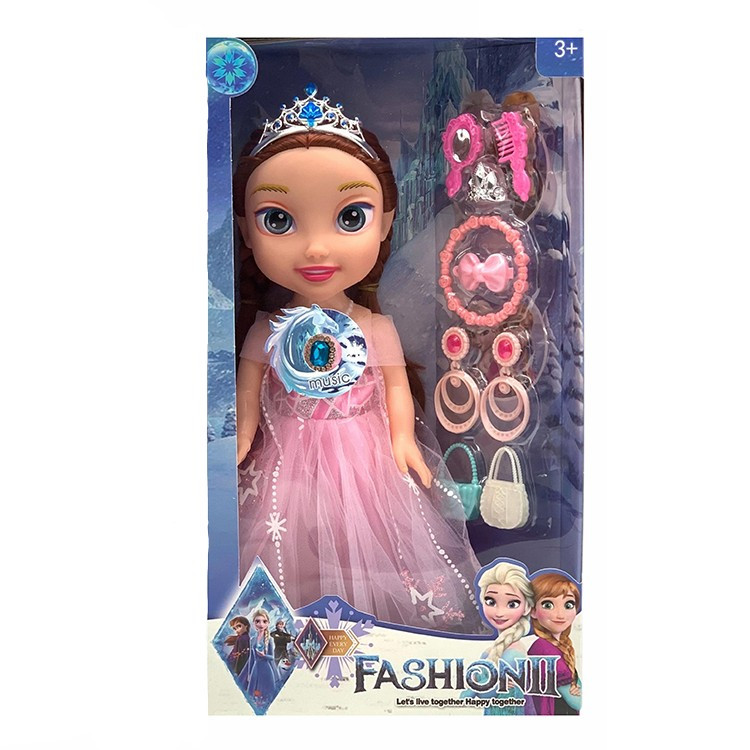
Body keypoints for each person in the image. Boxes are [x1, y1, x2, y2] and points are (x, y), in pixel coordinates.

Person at [233, 85, 484, 633]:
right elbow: (247, 397)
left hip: (365, 461)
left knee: (372, 546)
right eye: (278, 220)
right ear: (246, 230)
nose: (316, 248)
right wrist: (242, 438)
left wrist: (402, 440)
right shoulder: (266, 330)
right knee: (287, 548)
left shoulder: (375, 328)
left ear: (386, 221)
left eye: (350, 217)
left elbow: (396, 389)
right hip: (285, 460)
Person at [463, 560, 535, 715]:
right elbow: (470, 695)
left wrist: (475, 685)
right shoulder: (491, 651)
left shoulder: (513, 654)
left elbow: (483, 695)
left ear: (527, 607)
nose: (499, 613)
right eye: (491, 602)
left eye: (512, 604)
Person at [528, 572, 582, 715]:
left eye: (568, 605)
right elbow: (577, 702)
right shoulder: (544, 649)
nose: (560, 615)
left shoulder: (559, 647)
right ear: (533, 611)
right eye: (548, 605)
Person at [245, 608, 279, 706]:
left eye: (264, 621)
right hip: (255, 669)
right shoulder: (253, 639)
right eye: (257, 621)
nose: (261, 624)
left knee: (267, 694)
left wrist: (264, 656)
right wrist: (249, 673)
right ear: (254, 623)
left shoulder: (270, 639)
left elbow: (272, 657)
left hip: (266, 669)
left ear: (268, 623)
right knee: (253, 694)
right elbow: (251, 658)